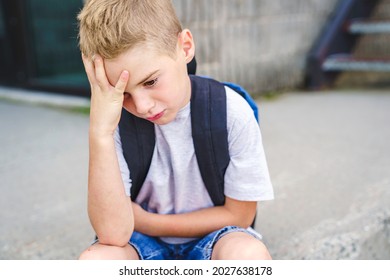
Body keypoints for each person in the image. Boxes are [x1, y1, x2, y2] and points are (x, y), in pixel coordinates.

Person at [77, 0, 274, 260]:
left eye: (150, 81)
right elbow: (113, 235)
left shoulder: (231, 111)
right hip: (138, 242)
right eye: (123, 94)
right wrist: (100, 134)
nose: (142, 106)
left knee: (248, 256)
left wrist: (145, 220)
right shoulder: (113, 122)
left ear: (185, 47)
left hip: (217, 236)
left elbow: (240, 216)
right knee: (95, 262)